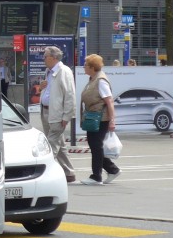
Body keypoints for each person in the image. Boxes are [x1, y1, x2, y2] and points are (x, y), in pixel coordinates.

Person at [79, 53, 120, 185]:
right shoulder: (93, 78)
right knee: (95, 145)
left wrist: (112, 120)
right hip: (92, 117)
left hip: (100, 118)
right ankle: (112, 170)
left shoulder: (101, 80)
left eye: (85, 65)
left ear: (92, 67)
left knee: (96, 146)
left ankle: (96, 176)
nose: (83, 67)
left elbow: (109, 101)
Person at [39, 46, 77, 183]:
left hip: (57, 114)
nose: (43, 59)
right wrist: (42, 87)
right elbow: (50, 91)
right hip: (46, 111)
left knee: (51, 145)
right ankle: (69, 173)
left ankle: (44, 174)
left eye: (45, 56)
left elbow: (70, 95)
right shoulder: (48, 71)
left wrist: (67, 116)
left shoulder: (64, 71)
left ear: (53, 58)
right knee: (59, 145)